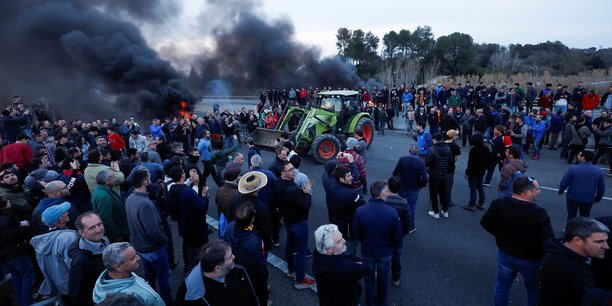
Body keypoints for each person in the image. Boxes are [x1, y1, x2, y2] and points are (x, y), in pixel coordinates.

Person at [480, 176, 554, 306]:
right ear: (526, 192)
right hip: (529, 259)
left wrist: (501, 236)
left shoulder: (498, 203)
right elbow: (547, 240)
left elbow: (485, 223)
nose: (539, 191)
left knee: (502, 286)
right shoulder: (538, 213)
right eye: (537, 189)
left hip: (504, 253)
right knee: (533, 290)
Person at [125, 169, 173, 305]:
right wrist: (165, 240)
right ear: (145, 182)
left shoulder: (130, 198)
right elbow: (153, 231)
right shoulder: (145, 204)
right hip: (153, 248)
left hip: (140, 247)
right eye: (149, 178)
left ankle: (151, 298)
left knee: (149, 277)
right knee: (163, 278)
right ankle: (166, 300)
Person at [538, 217, 610, 306]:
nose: (606, 246)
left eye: (606, 241)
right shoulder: (556, 268)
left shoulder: (572, 256)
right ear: (578, 240)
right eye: (599, 241)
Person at [353, 180, 402, 306]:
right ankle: (382, 302)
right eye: (386, 192)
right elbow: (397, 236)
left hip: (368, 250)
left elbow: (356, 232)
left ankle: (370, 302)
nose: (387, 194)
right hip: (385, 252)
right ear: (382, 194)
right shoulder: (392, 212)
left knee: (369, 278)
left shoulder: (360, 211)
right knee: (383, 279)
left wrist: (364, 241)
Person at [272, 161, 316, 289]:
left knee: (290, 246)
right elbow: (305, 206)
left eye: (293, 169)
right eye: (290, 170)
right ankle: (300, 279)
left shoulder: (277, 184)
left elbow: (290, 200)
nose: (294, 171)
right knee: (302, 251)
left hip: (288, 220)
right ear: (283, 173)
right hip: (299, 222)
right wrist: (307, 193)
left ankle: (291, 270)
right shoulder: (291, 189)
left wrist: (301, 192)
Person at [175, 240, 259, 306]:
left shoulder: (238, 266)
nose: (234, 257)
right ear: (218, 268)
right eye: (230, 257)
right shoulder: (191, 292)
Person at [30, 202, 79, 303]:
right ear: (61, 219)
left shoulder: (41, 241)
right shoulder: (68, 238)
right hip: (74, 285)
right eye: (65, 212)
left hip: (60, 286)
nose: (68, 213)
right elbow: (75, 264)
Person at [222, 202, 269, 305]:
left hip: (235, 266)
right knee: (259, 290)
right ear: (251, 220)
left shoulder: (230, 226)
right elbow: (260, 264)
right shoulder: (255, 241)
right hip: (251, 270)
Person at [312, 224, 369, 306]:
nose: (344, 241)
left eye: (341, 237)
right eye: (339, 241)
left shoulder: (318, 255)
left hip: (326, 300)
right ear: (329, 250)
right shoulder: (346, 267)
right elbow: (365, 267)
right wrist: (357, 261)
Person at [165, 166, 209, 272]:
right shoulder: (188, 192)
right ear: (182, 175)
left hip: (183, 227)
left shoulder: (171, 190)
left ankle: (188, 268)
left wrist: (190, 180)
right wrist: (204, 196)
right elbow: (201, 208)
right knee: (199, 253)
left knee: (188, 249)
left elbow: (182, 188)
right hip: (195, 229)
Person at [93, 242, 165, 306]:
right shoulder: (125, 299)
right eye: (133, 258)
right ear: (118, 267)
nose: (138, 257)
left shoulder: (126, 274)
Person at [0, 196, 35, 306]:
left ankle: (23, 300)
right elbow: (11, 235)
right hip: (15, 254)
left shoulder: (5, 219)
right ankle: (26, 302)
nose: (8, 201)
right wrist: (24, 227)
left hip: (4, 256)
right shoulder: (5, 219)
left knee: (17, 277)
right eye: (5, 200)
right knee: (28, 276)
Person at [68, 212, 109, 306]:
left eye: (99, 224)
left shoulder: (104, 239)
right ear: (81, 233)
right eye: (92, 228)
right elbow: (77, 295)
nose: (99, 229)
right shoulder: (81, 261)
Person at [326, 165, 365, 257]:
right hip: (348, 228)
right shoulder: (351, 194)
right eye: (348, 176)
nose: (351, 178)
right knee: (349, 248)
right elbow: (362, 206)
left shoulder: (330, 188)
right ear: (341, 179)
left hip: (334, 223)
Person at [558, 150, 606, 222]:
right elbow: (601, 187)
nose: (577, 156)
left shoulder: (573, 168)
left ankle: (570, 230)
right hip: (588, 198)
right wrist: (598, 197)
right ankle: (584, 232)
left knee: (571, 216)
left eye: (579, 155)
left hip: (572, 197)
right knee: (585, 217)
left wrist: (561, 190)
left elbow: (565, 181)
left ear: (583, 158)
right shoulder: (599, 171)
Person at [392, 144, 428, 232]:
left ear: (409, 151)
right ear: (418, 153)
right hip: (414, 189)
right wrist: (420, 186)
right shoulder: (421, 163)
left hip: (402, 187)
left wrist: (398, 183)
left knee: (398, 206)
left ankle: (397, 223)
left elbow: (394, 173)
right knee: (411, 208)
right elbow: (425, 179)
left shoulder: (402, 159)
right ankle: (411, 226)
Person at [385, 176, 411, 286]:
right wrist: (403, 233)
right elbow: (407, 222)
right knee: (396, 257)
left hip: (383, 234)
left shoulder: (383, 200)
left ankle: (380, 273)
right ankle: (396, 278)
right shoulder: (403, 203)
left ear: (387, 187)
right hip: (396, 235)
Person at [92, 169, 130, 242]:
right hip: (119, 233)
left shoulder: (103, 190)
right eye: (113, 177)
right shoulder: (104, 196)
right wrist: (116, 235)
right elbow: (106, 218)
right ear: (106, 181)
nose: (115, 179)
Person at [425, 133, 451, 219]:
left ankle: (435, 212)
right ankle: (445, 211)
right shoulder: (448, 149)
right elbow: (450, 162)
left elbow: (427, 163)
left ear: (435, 140)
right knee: (444, 193)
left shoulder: (432, 150)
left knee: (433, 194)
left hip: (434, 175)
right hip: (444, 174)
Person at [463, 133, 491, 211]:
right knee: (480, 187)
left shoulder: (473, 150)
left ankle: (472, 204)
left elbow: (470, 163)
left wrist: (467, 172)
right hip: (481, 171)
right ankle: (481, 203)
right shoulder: (486, 149)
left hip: (473, 172)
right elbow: (489, 160)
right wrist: (486, 168)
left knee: (473, 188)